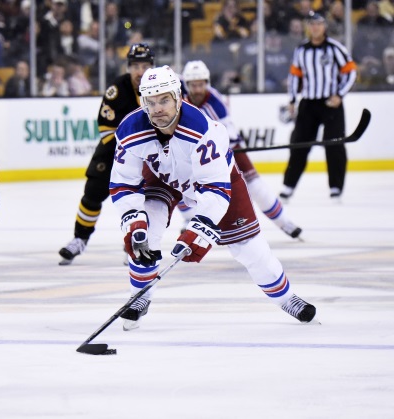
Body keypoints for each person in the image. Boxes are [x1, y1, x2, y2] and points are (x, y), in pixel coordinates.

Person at [109, 65, 317, 331]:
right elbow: (123, 183)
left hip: (217, 184)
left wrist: (199, 229)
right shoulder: (129, 130)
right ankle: (140, 297)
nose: (158, 108)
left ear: (178, 97)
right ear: (142, 102)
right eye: (151, 102)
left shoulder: (204, 129)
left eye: (164, 100)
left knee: (251, 250)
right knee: (144, 235)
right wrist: (133, 221)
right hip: (163, 177)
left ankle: (288, 298)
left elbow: (215, 189)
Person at [180, 60, 302, 239]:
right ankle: (189, 220)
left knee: (255, 186)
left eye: (201, 85)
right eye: (193, 85)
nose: (197, 89)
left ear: (207, 83)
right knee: (180, 181)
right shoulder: (182, 99)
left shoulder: (215, 103)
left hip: (228, 149)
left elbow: (226, 135)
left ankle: (285, 223)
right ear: (187, 85)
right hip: (196, 152)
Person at [58, 43, 154, 265]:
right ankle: (79, 239)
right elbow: (105, 127)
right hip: (113, 152)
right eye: (136, 66)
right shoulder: (117, 89)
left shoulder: (159, 89)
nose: (140, 72)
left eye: (145, 66)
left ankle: (134, 243)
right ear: (128, 67)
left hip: (148, 156)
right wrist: (130, 147)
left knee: (145, 200)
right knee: (92, 193)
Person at [280, 12, 357, 202]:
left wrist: (340, 95)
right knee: (299, 145)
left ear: (324, 26)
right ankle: (288, 186)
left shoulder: (335, 48)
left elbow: (351, 72)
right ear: (308, 27)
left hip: (330, 103)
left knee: (334, 145)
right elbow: (294, 77)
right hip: (308, 103)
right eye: (312, 24)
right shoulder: (301, 50)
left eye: (319, 24)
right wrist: (292, 100)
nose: (315, 28)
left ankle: (336, 187)